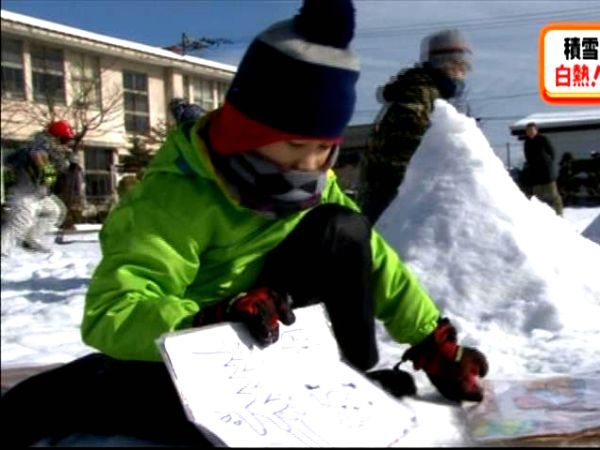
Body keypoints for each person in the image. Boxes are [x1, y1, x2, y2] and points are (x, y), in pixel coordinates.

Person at [1, 1, 488, 446]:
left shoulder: (312, 181)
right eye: (296, 148)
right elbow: (114, 310)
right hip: (187, 351)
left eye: (324, 149)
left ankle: (340, 380)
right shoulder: (175, 197)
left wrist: (431, 342)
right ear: (249, 132)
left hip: (269, 331)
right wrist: (209, 321)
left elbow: (377, 262)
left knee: (342, 228)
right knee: (65, 406)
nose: (311, 164)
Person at [358, 28, 473, 224]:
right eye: (458, 68)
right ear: (443, 65)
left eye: (464, 69)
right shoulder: (419, 94)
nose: (461, 75)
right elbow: (406, 147)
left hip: (393, 189)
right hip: (391, 192)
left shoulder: (430, 92)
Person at [0, 120, 72, 256]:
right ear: (54, 137)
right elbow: (37, 156)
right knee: (22, 219)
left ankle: (30, 240)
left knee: (54, 211)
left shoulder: (55, 153)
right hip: (23, 194)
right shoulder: (40, 146)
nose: (67, 143)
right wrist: (45, 168)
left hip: (37, 194)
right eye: (64, 139)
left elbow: (52, 172)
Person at [521, 122, 563, 216]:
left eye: (532, 130)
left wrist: (547, 163)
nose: (530, 132)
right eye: (528, 130)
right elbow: (527, 157)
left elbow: (552, 153)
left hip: (547, 173)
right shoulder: (527, 142)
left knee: (553, 196)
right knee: (537, 198)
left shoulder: (543, 139)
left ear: (536, 130)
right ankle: (542, 217)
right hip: (535, 175)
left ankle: (559, 214)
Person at [54, 151, 85, 244]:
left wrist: (77, 193)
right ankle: (65, 227)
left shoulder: (75, 170)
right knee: (65, 210)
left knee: (66, 210)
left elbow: (77, 183)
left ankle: (66, 228)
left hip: (69, 193)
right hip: (67, 192)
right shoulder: (71, 170)